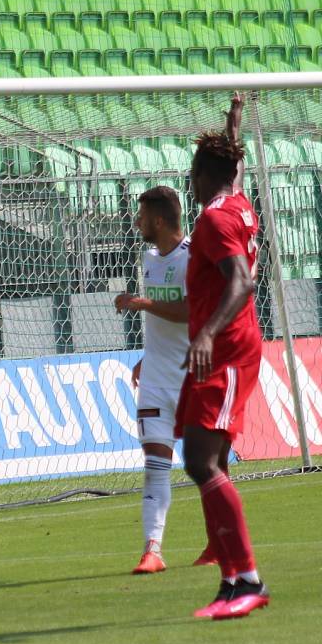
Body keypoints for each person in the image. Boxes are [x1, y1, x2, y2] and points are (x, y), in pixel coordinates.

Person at [177, 98, 270, 620]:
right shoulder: (237, 203)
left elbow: (242, 281)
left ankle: (248, 579)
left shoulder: (213, 221)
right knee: (200, 459)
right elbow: (232, 173)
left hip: (227, 349)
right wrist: (233, 125)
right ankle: (231, 582)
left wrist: (208, 333)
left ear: (199, 175)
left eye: (192, 171)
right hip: (219, 348)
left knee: (203, 461)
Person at [114, 186, 189, 575]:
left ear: (159, 220)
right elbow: (162, 322)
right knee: (156, 464)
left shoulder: (193, 258)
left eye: (141, 216)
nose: (137, 222)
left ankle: (220, 539)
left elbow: (193, 312)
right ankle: (152, 549)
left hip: (194, 375)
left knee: (206, 465)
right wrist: (148, 356)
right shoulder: (148, 257)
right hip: (157, 378)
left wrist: (143, 303)